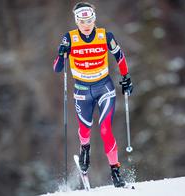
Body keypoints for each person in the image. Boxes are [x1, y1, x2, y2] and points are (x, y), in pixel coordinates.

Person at [53, 2, 133, 187]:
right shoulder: (70, 38)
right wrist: (61, 52)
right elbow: (57, 68)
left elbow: (119, 56)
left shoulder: (105, 35)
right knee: (85, 130)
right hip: (82, 90)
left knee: (105, 129)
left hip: (104, 87)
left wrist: (126, 77)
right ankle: (85, 149)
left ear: (94, 19)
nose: (86, 24)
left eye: (89, 20)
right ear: (76, 21)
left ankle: (115, 171)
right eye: (82, 21)